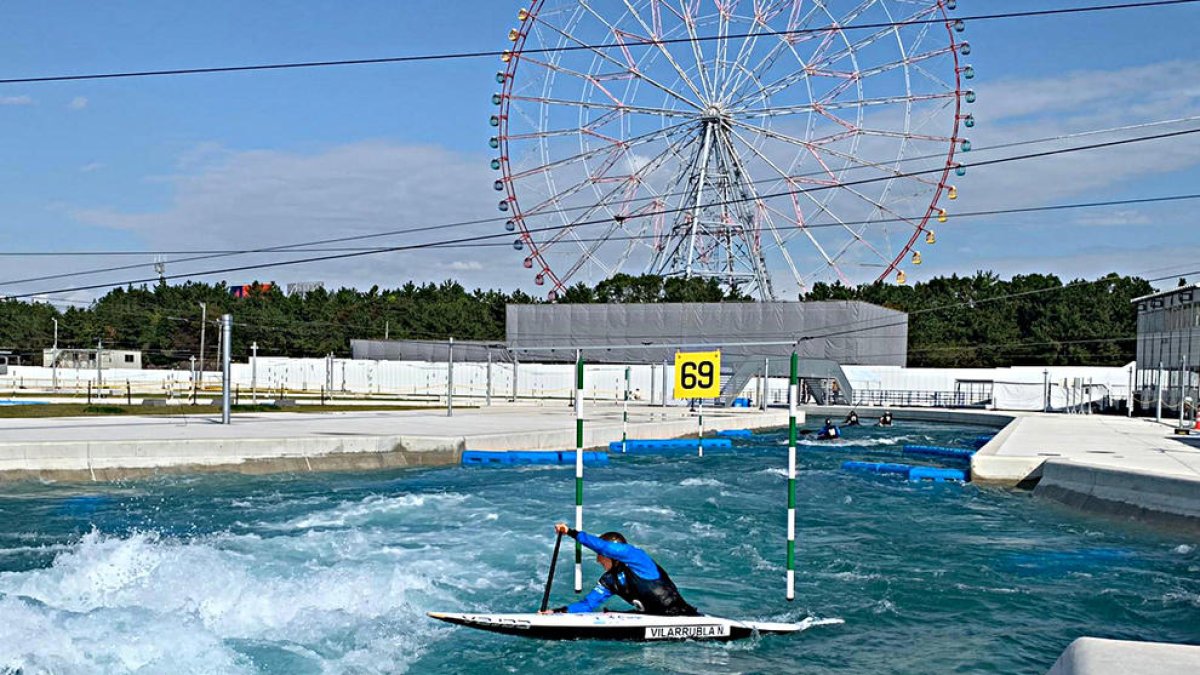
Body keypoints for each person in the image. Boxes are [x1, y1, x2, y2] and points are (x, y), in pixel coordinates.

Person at [542, 522, 699, 616]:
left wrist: (570, 532)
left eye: (600, 555)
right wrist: (556, 612)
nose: (597, 559)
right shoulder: (609, 580)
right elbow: (587, 605)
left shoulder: (637, 559)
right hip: (651, 616)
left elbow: (603, 546)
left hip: (681, 615)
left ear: (611, 554)